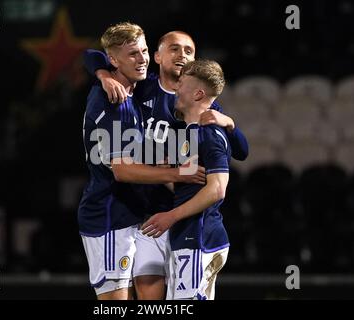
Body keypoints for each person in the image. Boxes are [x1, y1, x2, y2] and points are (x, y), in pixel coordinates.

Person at [83, 31, 248, 299]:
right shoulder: (140, 88)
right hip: (149, 220)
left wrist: (229, 123)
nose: (182, 54)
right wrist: (103, 74)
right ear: (157, 56)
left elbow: (241, 151)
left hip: (185, 218)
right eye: (174, 48)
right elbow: (92, 55)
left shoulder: (202, 105)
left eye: (189, 50)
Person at [79, 23, 205, 300]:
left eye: (145, 51)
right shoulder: (114, 102)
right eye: (133, 54)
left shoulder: (132, 90)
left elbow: (91, 54)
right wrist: (179, 175)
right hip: (108, 214)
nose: (142, 60)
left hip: (129, 215)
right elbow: (122, 171)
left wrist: (102, 72)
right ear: (114, 60)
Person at [142, 59, 231, 300]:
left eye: (181, 83)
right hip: (189, 235)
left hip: (198, 235)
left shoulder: (209, 134)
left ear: (198, 93)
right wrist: (163, 174)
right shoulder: (189, 133)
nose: (176, 88)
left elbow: (216, 189)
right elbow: (191, 186)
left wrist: (170, 217)